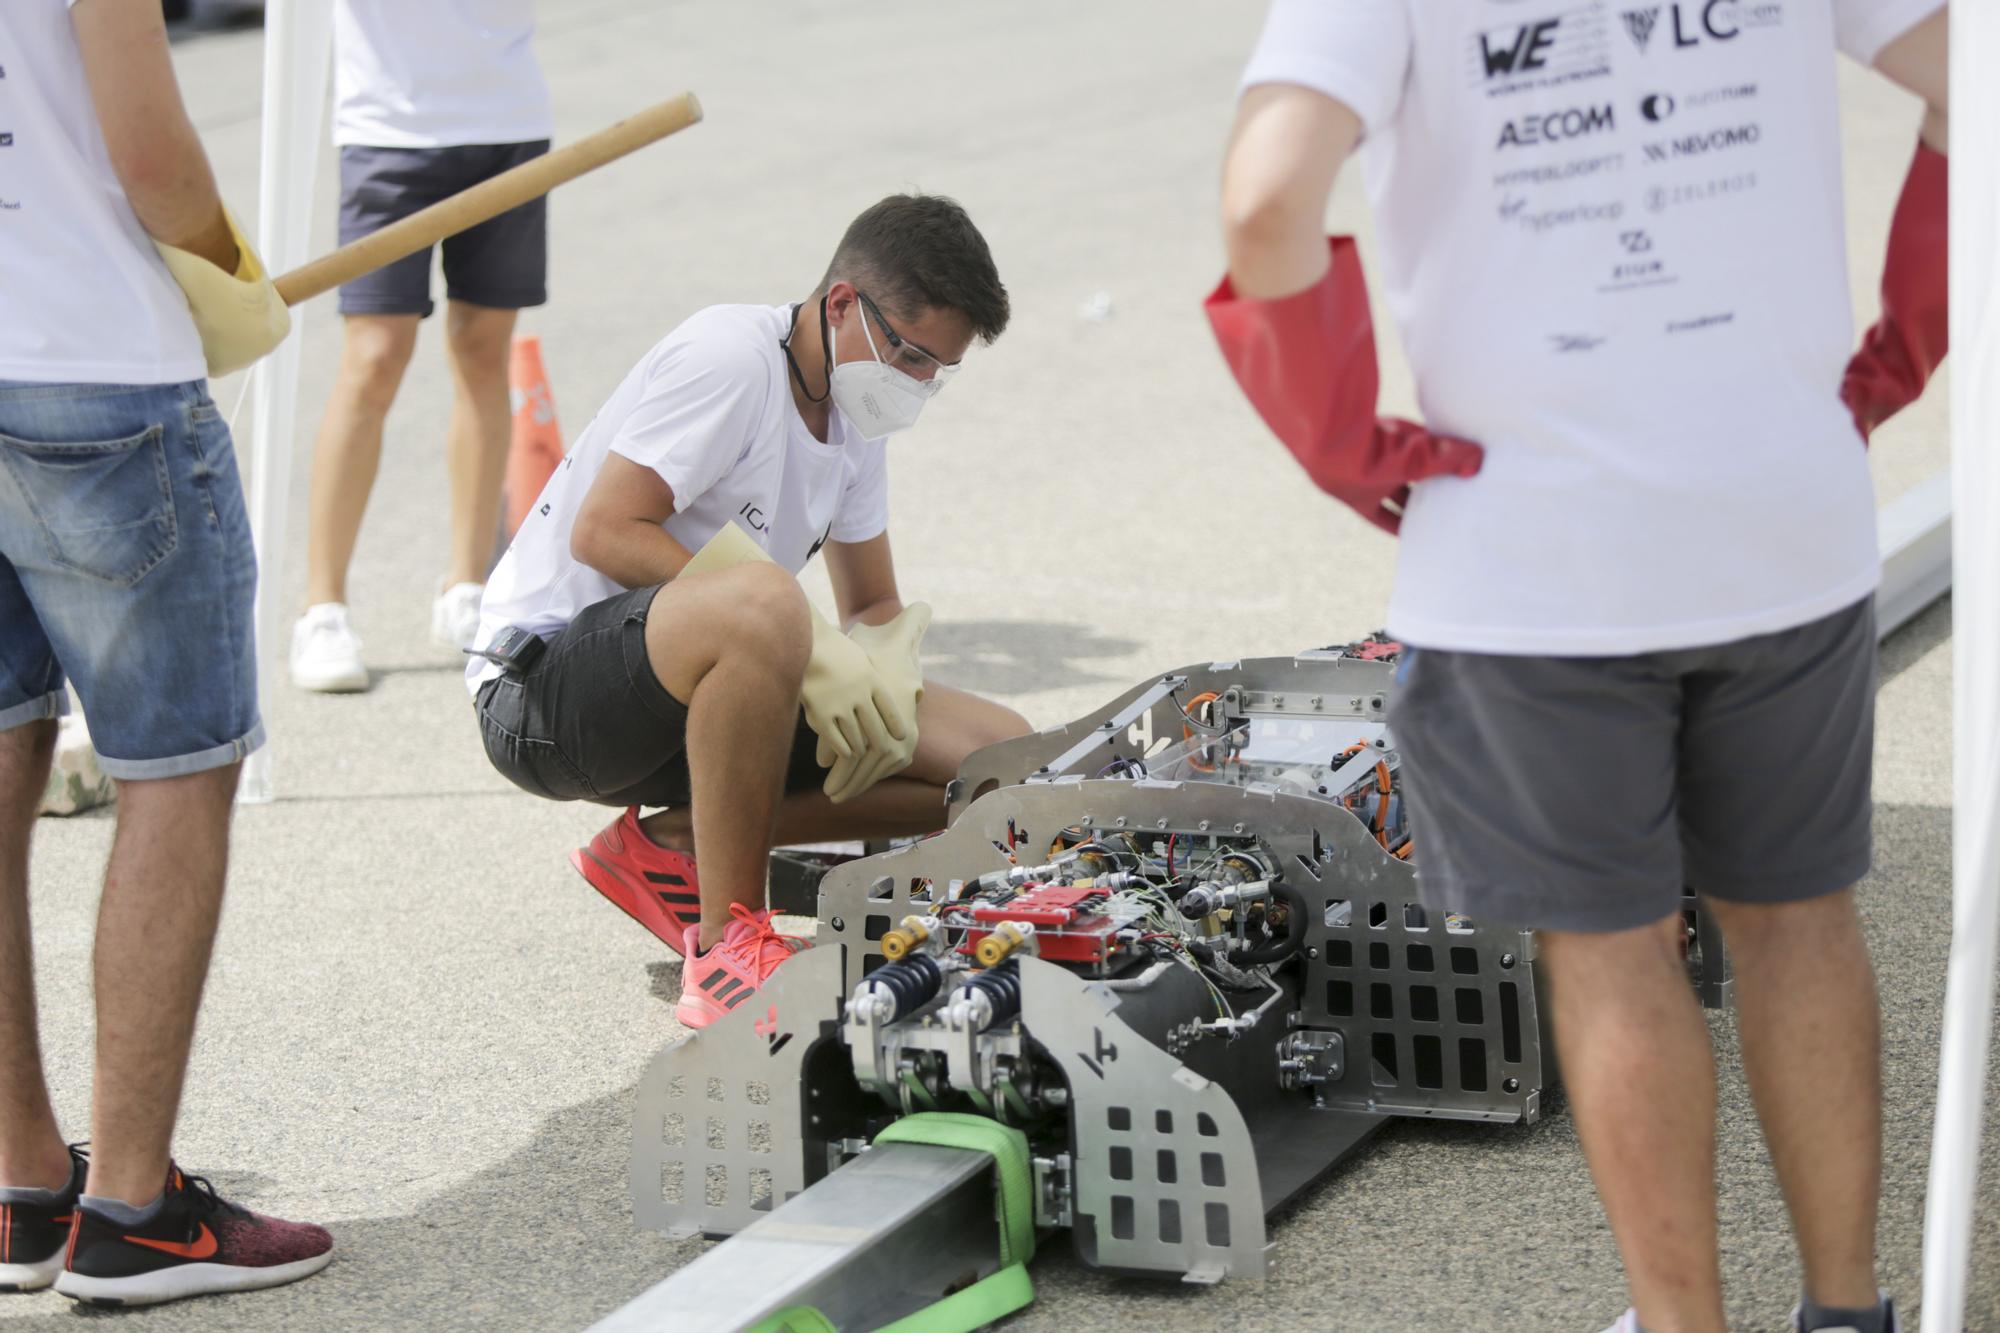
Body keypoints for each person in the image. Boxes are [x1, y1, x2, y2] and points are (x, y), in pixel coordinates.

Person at [1210, 4, 1947, 1332]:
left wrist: (1341, 440)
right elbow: (1978, 79)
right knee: (1798, 919)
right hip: (1782, 521)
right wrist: (1911, 332)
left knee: (1612, 958)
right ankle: (1849, 1311)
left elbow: (1267, 204)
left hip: (1533, 557)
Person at [469, 194, 1031, 1029]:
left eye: (935, 373)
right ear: (842, 303)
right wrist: (806, 646)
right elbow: (605, 529)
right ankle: (730, 944)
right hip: (546, 694)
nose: (916, 385)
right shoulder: (731, 358)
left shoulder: (853, 417)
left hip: (708, 690)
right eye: (910, 355)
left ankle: (670, 844)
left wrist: (875, 657)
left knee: (1000, 760)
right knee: (768, 602)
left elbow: (871, 599)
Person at [0, 0, 331, 1306]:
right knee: (176, 764)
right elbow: (155, 159)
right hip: (91, 365)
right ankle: (134, 1208)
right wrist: (224, 270)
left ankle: (24, 1183)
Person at [290, 0, 554, 692]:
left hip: (507, 116)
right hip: (387, 123)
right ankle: (322, 607)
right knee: (373, 357)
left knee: (482, 350)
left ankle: (467, 585)